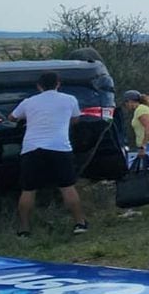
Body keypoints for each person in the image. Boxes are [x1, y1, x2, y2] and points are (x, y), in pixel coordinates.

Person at [7, 72, 88, 237]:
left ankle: (24, 229)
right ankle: (80, 223)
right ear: (58, 84)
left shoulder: (28, 102)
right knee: (67, 187)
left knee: (28, 189)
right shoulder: (70, 99)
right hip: (60, 147)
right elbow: (76, 119)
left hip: (32, 148)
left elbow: (12, 117)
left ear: (39, 86)